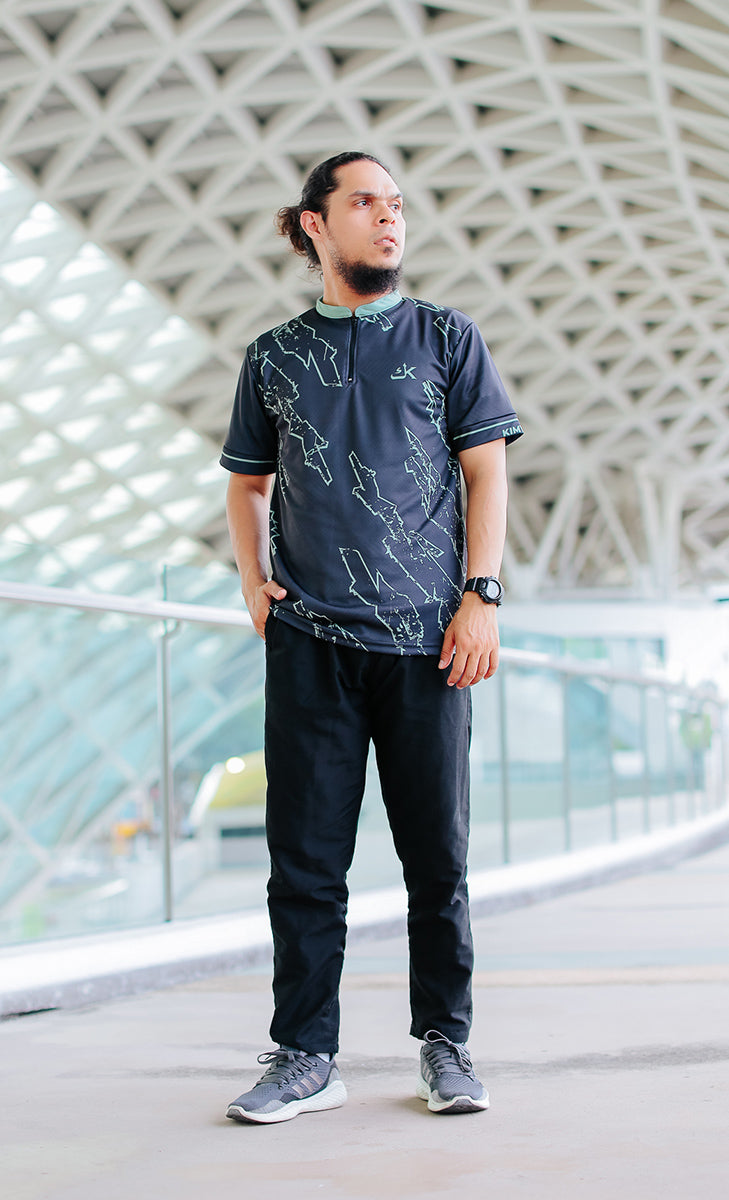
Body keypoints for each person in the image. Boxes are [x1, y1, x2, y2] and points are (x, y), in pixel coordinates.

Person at [221, 151, 523, 1124]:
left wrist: (481, 594)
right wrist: (253, 582)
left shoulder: (446, 337)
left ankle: (446, 1045)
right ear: (314, 224)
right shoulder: (273, 356)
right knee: (305, 867)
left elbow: (485, 471)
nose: (389, 218)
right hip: (309, 641)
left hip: (430, 642)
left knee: (437, 862)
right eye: (364, 203)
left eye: (396, 204)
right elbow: (247, 484)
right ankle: (305, 1055)